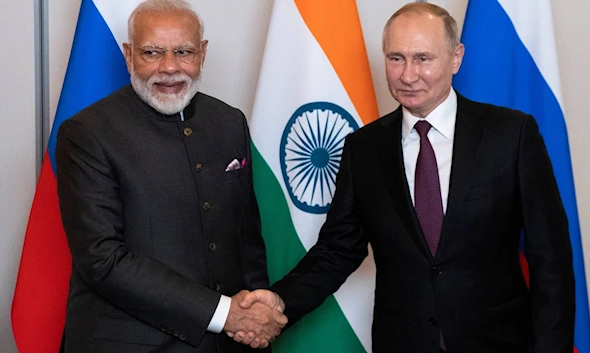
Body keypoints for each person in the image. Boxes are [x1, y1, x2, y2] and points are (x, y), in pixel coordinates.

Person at [236, 2, 575, 353]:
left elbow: (551, 258)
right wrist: (280, 301)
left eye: (423, 58)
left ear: (456, 58)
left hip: (498, 342)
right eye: (395, 58)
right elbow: (338, 250)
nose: (408, 75)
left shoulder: (511, 135)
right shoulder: (363, 148)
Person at [55, 0, 286, 352]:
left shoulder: (228, 122)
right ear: (129, 55)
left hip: (229, 342)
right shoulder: (86, 133)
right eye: (152, 52)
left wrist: (256, 310)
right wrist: (227, 314)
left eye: (183, 51)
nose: (169, 67)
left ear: (202, 53)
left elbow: (245, 236)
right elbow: (103, 258)